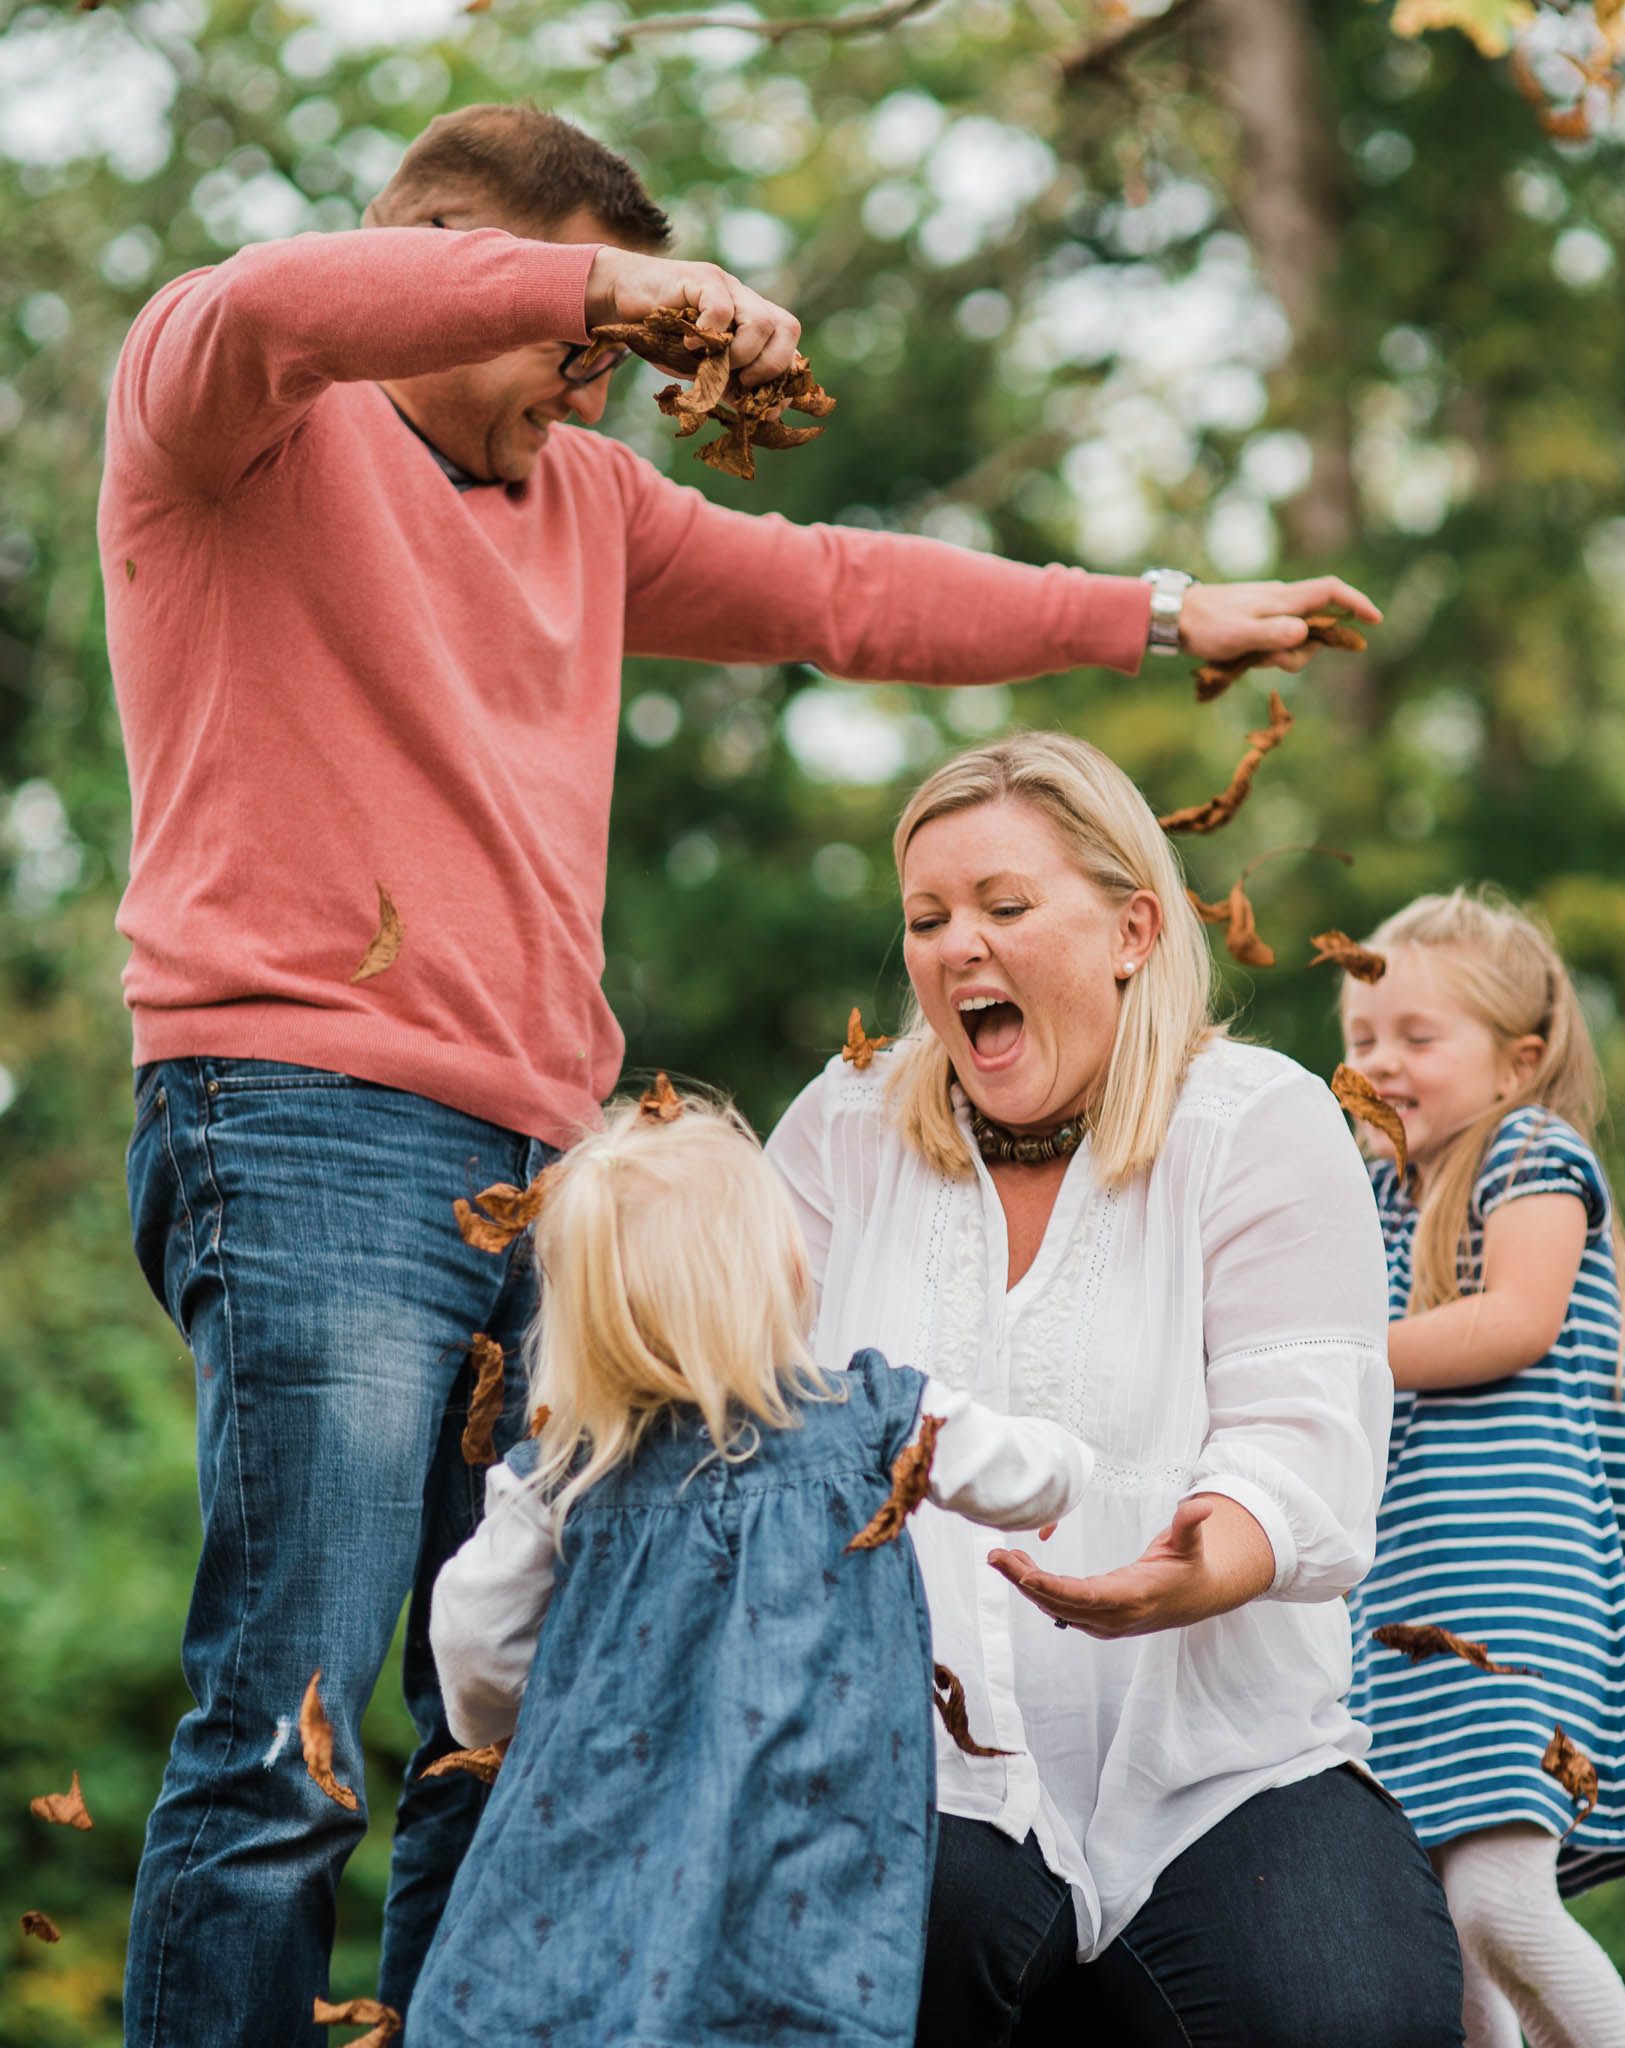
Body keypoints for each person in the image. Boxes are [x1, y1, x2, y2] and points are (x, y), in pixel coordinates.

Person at [102, 99, 1380, 2045]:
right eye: (574, 348)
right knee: (292, 1720)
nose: (593, 391)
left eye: (611, 360)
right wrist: (622, 280)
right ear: (458, 247)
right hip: (302, 1120)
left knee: (516, 1709)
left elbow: (841, 594)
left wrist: (1149, 616)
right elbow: (271, 303)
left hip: (552, 1170)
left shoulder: (589, 513)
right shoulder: (241, 426)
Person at [765, 732, 1465, 2044]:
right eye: (927, 918)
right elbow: (734, 1409)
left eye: (1004, 907)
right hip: (905, 1775)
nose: (955, 944)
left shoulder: (1256, 1122)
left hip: (1219, 1771)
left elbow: (1302, 1434)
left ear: (1133, 928)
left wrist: (1209, 1559)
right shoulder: (842, 1126)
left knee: (1339, 2015)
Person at [405, 1088, 1091, 2045]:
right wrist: (1075, 1478)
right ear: (776, 1269)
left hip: (596, 1837)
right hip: (808, 1841)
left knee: (562, 1997)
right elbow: (1033, 1473)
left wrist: (505, 1717)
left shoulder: (564, 1475)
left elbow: (468, 1640)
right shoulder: (880, 1418)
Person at [1337, 887, 1625, 2048]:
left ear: (1516, 1062)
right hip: (1406, 1608)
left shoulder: (1530, 1148)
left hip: (1515, 1594)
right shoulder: (1372, 1195)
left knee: (1497, 1901)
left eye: (1417, 1038)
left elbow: (1515, 1317)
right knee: (1442, 1934)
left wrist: (1333, 1357)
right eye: (1362, 1037)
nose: (1379, 1060)